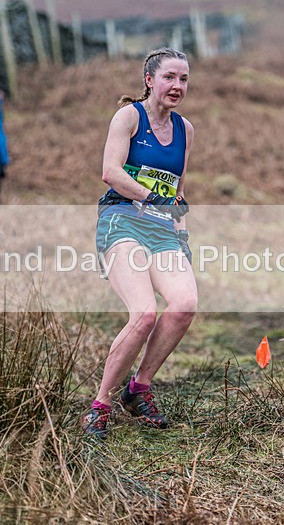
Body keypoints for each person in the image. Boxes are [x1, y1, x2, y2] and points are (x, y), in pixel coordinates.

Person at [83, 48, 197, 439]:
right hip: (121, 220)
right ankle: (100, 405)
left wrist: (182, 232)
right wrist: (151, 197)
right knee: (144, 314)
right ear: (149, 80)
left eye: (183, 79)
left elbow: (178, 191)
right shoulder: (129, 117)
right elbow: (110, 172)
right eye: (169, 77)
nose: (177, 86)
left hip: (163, 229)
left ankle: (138, 389)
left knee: (184, 305)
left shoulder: (185, 129)